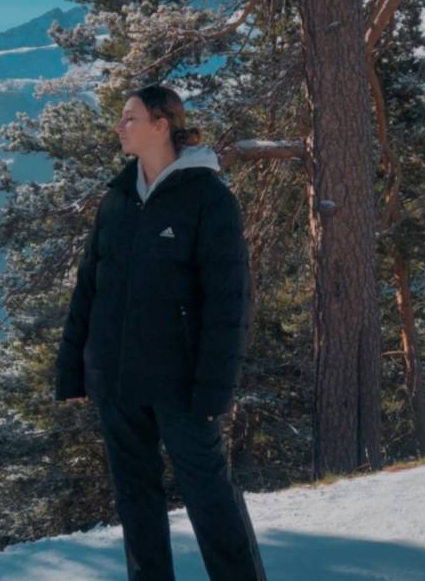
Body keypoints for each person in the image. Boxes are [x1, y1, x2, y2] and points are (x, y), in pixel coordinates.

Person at [54, 83, 267, 581]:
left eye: (130, 117)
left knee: (209, 496)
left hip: (182, 383)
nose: (120, 126)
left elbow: (229, 302)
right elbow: (89, 288)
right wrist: (73, 368)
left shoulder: (209, 199)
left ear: (161, 125)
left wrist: (215, 388)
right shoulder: (117, 199)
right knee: (135, 500)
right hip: (117, 380)